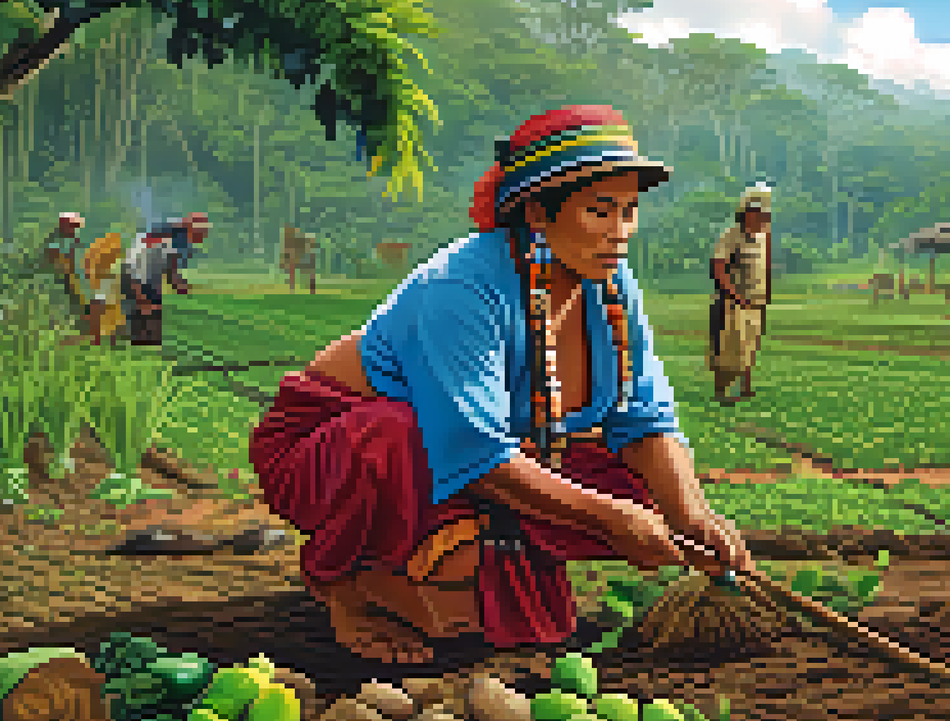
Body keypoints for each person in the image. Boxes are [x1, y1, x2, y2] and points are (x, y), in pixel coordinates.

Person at [250, 105, 757, 664]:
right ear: (538, 211)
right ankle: (348, 589)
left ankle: (446, 572)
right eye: (600, 211)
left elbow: (642, 418)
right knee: (398, 434)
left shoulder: (611, 283)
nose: (620, 232)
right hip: (346, 456)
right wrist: (613, 519)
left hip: (477, 454)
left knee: (647, 491)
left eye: (628, 211)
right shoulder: (459, 288)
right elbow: (475, 452)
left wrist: (690, 514)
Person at [708, 184, 774, 403]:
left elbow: (765, 264)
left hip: (756, 301)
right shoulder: (731, 236)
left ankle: (746, 388)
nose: (764, 218)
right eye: (760, 213)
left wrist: (766, 293)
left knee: (750, 346)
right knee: (728, 348)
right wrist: (736, 296)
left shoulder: (764, 236)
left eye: (766, 213)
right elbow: (719, 267)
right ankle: (722, 391)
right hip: (733, 303)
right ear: (748, 214)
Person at [122, 213, 210, 346]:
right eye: (202, 230)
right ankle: (142, 339)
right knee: (148, 310)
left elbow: (169, 269)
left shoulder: (176, 234)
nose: (204, 234)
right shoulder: (178, 240)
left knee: (147, 313)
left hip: (139, 269)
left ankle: (141, 339)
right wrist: (181, 286)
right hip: (139, 271)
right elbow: (171, 270)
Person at [82, 232, 127, 345]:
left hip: (109, 290)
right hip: (106, 289)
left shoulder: (118, 263)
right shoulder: (107, 262)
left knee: (107, 312)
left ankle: (104, 338)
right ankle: (102, 338)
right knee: (105, 311)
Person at [44, 212, 88, 321]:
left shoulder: (75, 240)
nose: (74, 229)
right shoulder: (56, 242)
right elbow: (55, 262)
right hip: (65, 280)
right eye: (72, 226)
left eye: (76, 226)